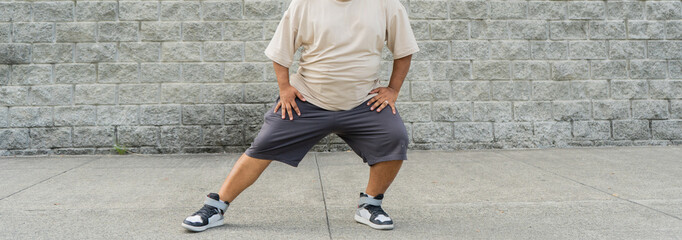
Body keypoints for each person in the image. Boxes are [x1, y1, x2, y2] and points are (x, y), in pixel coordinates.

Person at [182, 0, 419, 232]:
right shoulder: (304, 4)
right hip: (307, 101)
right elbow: (281, 50)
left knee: (394, 136)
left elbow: (404, 50)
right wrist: (285, 89)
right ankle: (215, 207)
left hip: (362, 102)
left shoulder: (387, 5)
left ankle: (370, 205)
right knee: (263, 145)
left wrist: (393, 90)